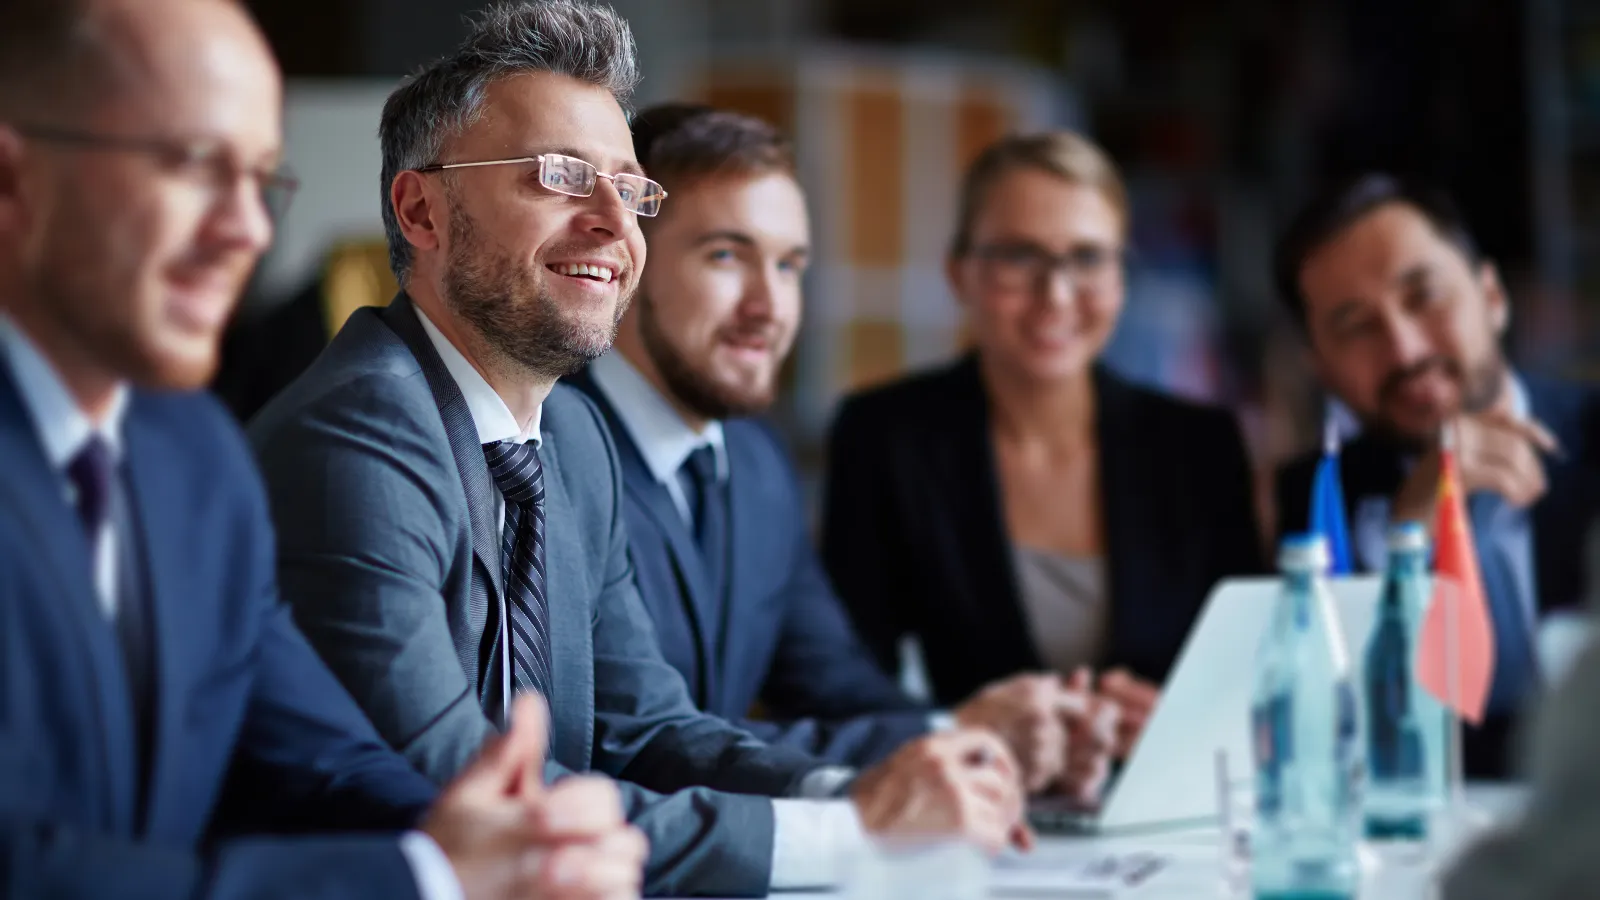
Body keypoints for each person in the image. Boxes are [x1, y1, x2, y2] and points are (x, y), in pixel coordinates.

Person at [247, 3, 1029, 896]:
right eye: (560, 176)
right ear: (421, 211)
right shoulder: (358, 433)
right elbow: (469, 798)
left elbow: (647, 729)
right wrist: (849, 841)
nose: (614, 224)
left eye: (631, 189)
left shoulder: (572, 437)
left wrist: (859, 799)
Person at [0, 0, 647, 898]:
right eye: (191, 167)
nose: (249, 232)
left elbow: (317, 751)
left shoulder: (192, 455)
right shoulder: (339, 426)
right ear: (12, 184)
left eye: (261, 180)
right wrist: (423, 873)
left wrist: (499, 836)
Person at [566, 103, 1117, 797]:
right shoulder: (551, 447)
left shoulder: (758, 463)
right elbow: (636, 741)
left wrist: (980, 739)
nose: (770, 306)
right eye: (726, 255)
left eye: (790, 265)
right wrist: (948, 742)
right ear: (626, 256)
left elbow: (836, 685)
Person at [822, 131, 1264, 760]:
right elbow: (843, 681)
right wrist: (961, 728)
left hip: (1165, 810)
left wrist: (1179, 724)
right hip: (973, 807)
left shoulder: (1200, 447)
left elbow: (1250, 674)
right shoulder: (886, 437)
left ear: (1122, 275)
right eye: (1018, 257)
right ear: (960, 274)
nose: (1056, 294)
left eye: (1087, 258)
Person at [1272, 174, 1600, 778]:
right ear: (1319, 366)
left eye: (1424, 297)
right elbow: (1322, 736)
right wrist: (1410, 536)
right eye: (1355, 326)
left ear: (1493, 298)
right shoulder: (1314, 502)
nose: (1403, 349)